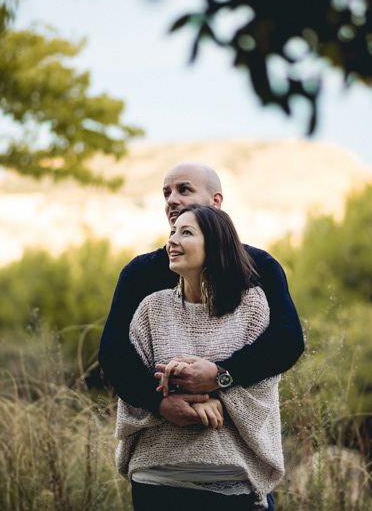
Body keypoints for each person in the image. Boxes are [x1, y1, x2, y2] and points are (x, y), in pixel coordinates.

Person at [99, 162, 303, 428]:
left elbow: (287, 341)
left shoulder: (258, 266)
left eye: (184, 190)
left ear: (215, 201)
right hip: (159, 448)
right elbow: (113, 351)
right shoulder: (140, 273)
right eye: (166, 193)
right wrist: (158, 402)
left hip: (235, 451)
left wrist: (222, 376)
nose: (172, 200)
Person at [115, 204, 283, 510]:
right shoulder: (151, 309)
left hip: (231, 484)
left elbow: (265, 386)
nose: (172, 241)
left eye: (186, 232)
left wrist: (221, 397)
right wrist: (166, 400)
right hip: (155, 479)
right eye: (172, 232)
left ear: (217, 244)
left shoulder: (252, 307)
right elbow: (130, 387)